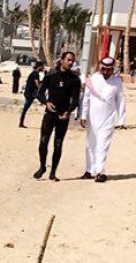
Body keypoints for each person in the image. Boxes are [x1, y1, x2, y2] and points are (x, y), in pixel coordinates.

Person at [33, 49, 81, 181]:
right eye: (68, 60)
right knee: (43, 142)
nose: (70, 63)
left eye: (72, 61)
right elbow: (40, 93)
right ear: (62, 60)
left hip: (63, 116)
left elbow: (76, 101)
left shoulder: (74, 79)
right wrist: (46, 103)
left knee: (58, 144)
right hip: (50, 114)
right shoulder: (51, 75)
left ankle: (53, 172)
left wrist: (68, 112)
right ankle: (42, 166)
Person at [80, 54, 126, 181]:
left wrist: (121, 119)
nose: (106, 72)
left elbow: (120, 100)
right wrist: (83, 115)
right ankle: (89, 170)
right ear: (100, 67)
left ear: (113, 69)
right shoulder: (93, 79)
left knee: (103, 145)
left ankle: (100, 172)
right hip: (92, 117)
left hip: (108, 118)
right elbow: (87, 98)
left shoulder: (117, 81)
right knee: (90, 144)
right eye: (103, 69)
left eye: (109, 69)